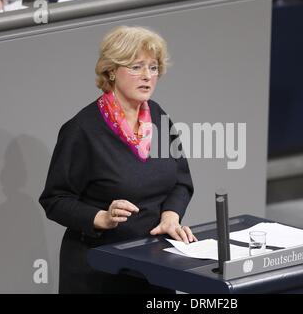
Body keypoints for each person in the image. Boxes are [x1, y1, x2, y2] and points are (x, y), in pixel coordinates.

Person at [39, 26, 197, 294]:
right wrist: (101, 217)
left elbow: (181, 180)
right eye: (136, 67)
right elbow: (55, 200)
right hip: (100, 271)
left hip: (154, 265)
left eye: (153, 67)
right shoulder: (82, 130)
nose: (148, 76)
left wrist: (171, 216)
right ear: (111, 71)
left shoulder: (157, 116)